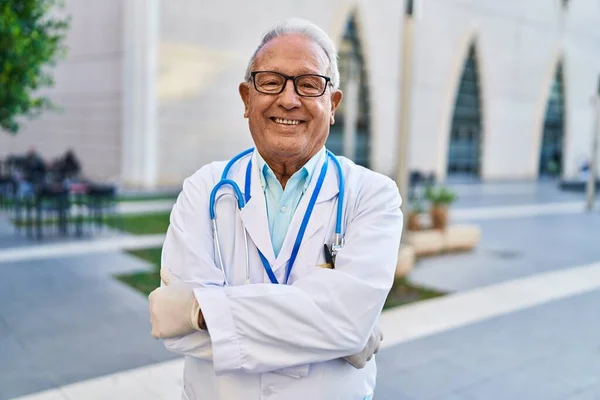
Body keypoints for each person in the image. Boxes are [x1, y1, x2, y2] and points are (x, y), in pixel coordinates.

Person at [149, 18, 403, 400]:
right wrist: (332, 334)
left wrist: (199, 311)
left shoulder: (373, 195)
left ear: (332, 105)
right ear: (246, 99)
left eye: (309, 84)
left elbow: (347, 324)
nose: (288, 99)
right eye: (270, 81)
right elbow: (177, 337)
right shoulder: (204, 189)